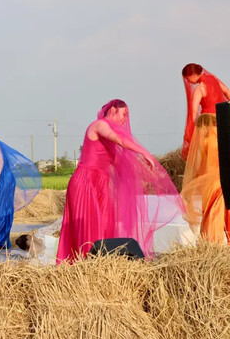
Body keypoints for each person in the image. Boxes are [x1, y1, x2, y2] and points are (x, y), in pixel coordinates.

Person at [56, 99, 183, 263]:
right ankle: (86, 268)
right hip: (86, 182)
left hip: (101, 185)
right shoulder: (99, 125)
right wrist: (146, 154)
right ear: (114, 110)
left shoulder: (108, 143)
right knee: (90, 225)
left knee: (104, 226)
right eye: (124, 114)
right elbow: (121, 140)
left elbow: (119, 165)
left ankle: (100, 266)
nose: (125, 119)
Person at [180, 63, 230, 243]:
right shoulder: (215, 80)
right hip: (224, 124)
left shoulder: (200, 88)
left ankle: (212, 235)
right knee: (224, 171)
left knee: (210, 173)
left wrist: (189, 138)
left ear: (192, 76)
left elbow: (193, 114)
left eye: (188, 79)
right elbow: (227, 92)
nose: (189, 82)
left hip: (209, 129)